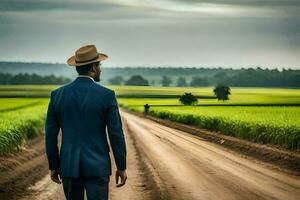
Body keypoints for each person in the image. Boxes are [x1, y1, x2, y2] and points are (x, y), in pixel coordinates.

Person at [45, 44, 127, 200]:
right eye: (100, 65)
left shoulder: (57, 95)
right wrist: (121, 166)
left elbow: (50, 134)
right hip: (98, 166)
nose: (101, 69)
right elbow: (116, 134)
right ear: (94, 69)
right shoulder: (107, 95)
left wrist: (53, 165)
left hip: (69, 166)